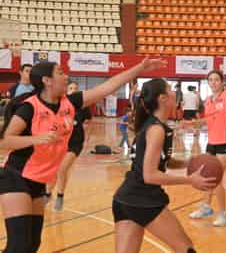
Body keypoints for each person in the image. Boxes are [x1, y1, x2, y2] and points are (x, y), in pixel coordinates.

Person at [0, 58, 166, 253]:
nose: (66, 76)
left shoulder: (70, 103)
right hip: (15, 176)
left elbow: (109, 86)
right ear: (47, 80)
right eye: (60, 72)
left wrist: (140, 67)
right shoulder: (29, 107)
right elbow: (5, 141)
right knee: (18, 245)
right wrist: (36, 139)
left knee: (31, 245)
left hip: (38, 180)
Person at [113, 78, 215, 253]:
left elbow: (162, 161)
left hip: (125, 199)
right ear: (162, 98)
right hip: (142, 199)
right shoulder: (156, 130)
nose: (175, 92)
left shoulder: (155, 126)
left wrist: (188, 162)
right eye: (170, 89)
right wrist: (189, 180)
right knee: (185, 248)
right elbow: (150, 175)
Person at [187, 70, 226, 227]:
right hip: (212, 142)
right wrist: (191, 123)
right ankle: (207, 207)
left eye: (216, 80)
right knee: (207, 175)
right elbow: (207, 121)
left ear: (222, 82)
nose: (213, 82)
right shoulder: (208, 100)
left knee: (216, 177)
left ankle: (223, 214)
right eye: (210, 80)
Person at [45, 81, 92, 211]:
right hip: (60, 142)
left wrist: (86, 137)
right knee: (54, 171)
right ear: (66, 89)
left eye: (76, 88)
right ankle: (48, 193)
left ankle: (60, 196)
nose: (74, 90)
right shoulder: (59, 104)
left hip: (75, 143)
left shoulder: (83, 107)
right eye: (71, 88)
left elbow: (88, 122)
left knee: (62, 169)